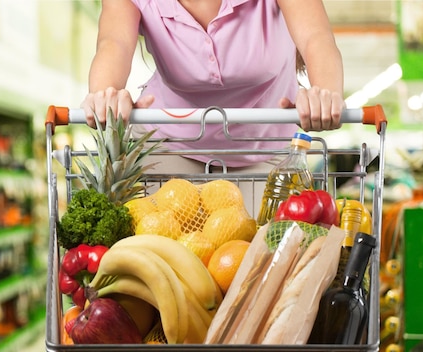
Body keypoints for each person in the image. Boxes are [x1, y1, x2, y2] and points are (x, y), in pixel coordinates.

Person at [80, 0, 345, 215]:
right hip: (166, 143)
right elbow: (113, 43)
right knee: (162, 257)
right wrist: (106, 94)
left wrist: (325, 93)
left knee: (253, 262)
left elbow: (316, 38)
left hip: (264, 149)